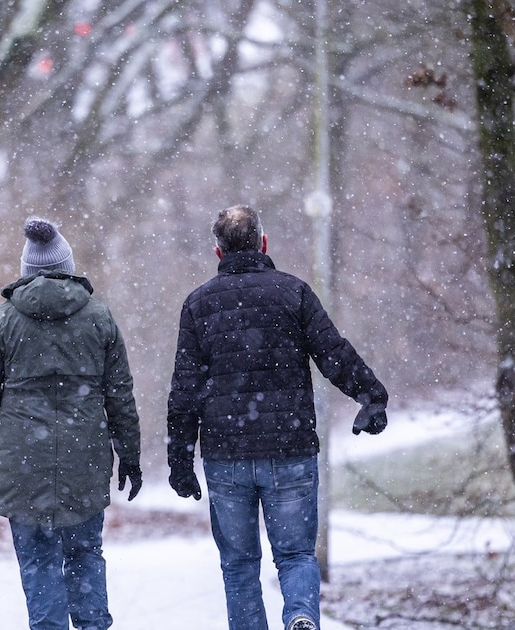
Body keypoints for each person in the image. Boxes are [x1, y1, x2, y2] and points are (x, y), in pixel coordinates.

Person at [166, 205, 388, 630]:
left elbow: (185, 391)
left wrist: (180, 460)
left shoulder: (197, 306)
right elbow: (333, 352)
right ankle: (302, 615)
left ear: (218, 251)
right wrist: (370, 395)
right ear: (263, 243)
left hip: (227, 456)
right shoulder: (293, 293)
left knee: (239, 564)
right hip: (290, 449)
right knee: (296, 555)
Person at [0, 216, 142, 630]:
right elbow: (120, 396)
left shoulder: (3, 320)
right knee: (84, 553)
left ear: (27, 270)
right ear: (67, 265)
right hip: (85, 460)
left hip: (21, 460)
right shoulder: (99, 318)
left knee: (38, 559)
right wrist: (129, 457)